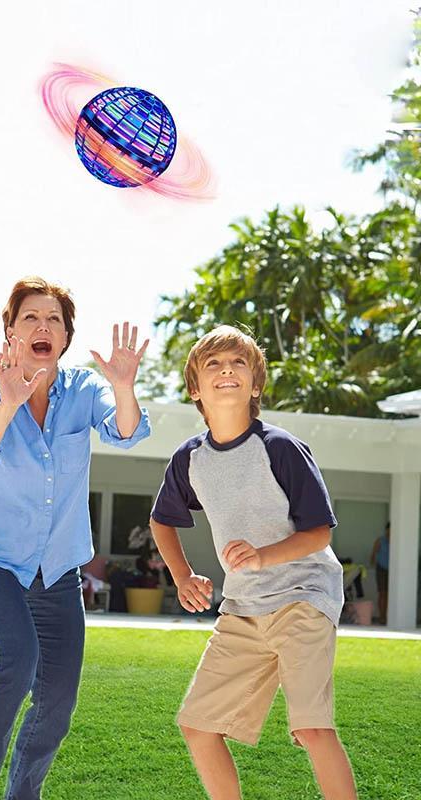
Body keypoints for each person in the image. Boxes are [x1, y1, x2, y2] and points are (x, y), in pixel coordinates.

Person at [0, 277, 151, 800]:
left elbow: (124, 432)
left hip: (56, 568)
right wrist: (12, 401)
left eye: (54, 320)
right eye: (31, 318)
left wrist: (125, 386)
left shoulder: (84, 389)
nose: (43, 327)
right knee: (17, 661)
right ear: (11, 332)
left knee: (57, 698)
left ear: (65, 337)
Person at [150, 324, 357, 800]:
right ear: (195, 389)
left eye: (238, 363)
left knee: (310, 727)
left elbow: (319, 531)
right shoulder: (190, 459)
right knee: (199, 727)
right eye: (214, 365)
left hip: (304, 595)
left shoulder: (280, 447)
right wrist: (182, 577)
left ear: (255, 383)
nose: (227, 370)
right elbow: (162, 521)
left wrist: (263, 556)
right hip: (243, 607)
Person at [370, 522, 390, 625]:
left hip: (393, 570)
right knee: (382, 593)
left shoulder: (397, 541)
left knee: (390, 594)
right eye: (389, 529)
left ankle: (388, 617)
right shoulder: (380, 540)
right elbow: (373, 554)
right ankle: (382, 617)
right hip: (381, 569)